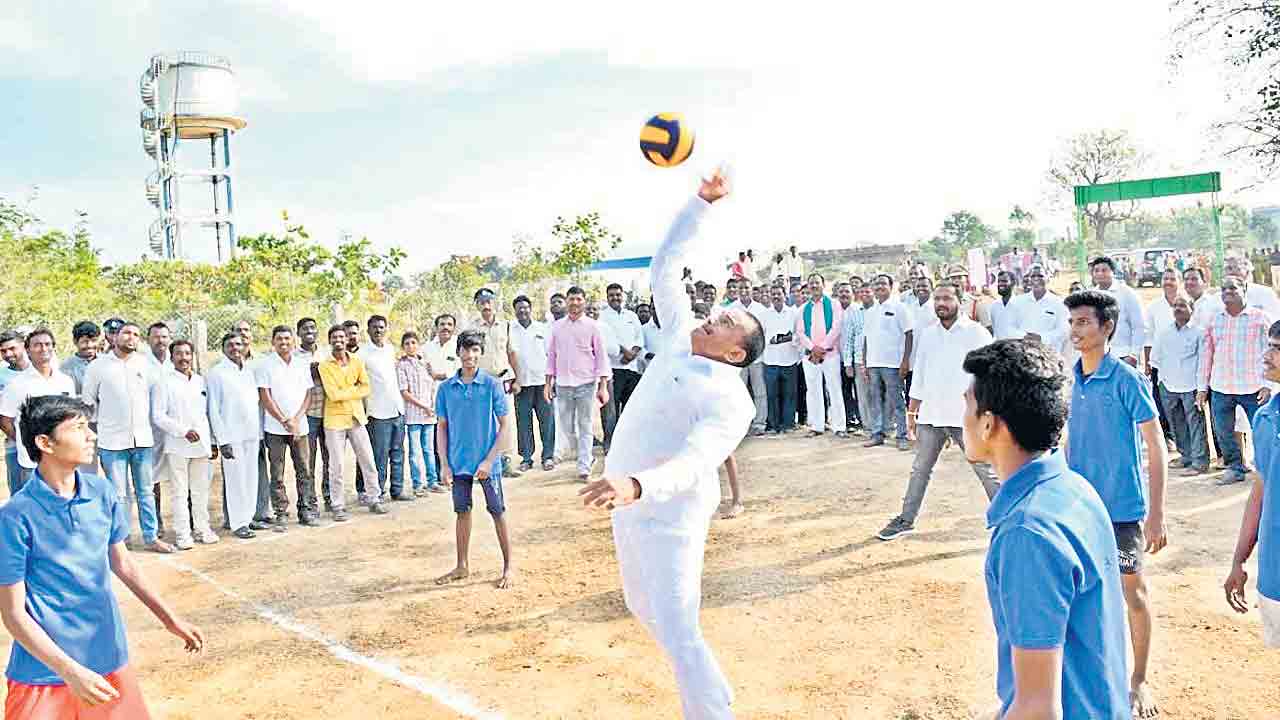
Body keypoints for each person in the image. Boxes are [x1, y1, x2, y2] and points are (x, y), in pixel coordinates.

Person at [578, 170, 764, 719]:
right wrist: (701, 206)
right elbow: (664, 268)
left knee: (679, 625)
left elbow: (695, 464)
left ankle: (711, 712)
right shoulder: (681, 336)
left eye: (728, 320)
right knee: (643, 608)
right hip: (627, 502)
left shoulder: (732, 402)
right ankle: (714, 693)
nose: (715, 314)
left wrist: (638, 484)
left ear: (736, 353)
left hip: (671, 513)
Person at [0, 395, 204, 720]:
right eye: (79, 428)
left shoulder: (101, 492)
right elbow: (13, 615)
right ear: (44, 442)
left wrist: (171, 620)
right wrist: (70, 672)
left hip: (108, 658)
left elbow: (123, 564)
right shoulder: (14, 517)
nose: (92, 435)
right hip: (43, 673)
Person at [961, 340, 1129, 719]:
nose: (964, 415)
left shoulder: (1027, 532)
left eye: (968, 405)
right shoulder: (1072, 489)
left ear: (989, 424)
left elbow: (1039, 708)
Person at [1064, 290, 1169, 717]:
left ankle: (1139, 680)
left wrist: (1157, 514)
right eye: (1072, 323)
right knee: (1080, 592)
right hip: (1078, 509)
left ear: (1107, 327)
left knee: (1133, 593)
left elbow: (1155, 442)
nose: (1076, 330)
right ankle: (1089, 673)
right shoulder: (1070, 379)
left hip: (1123, 510)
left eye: (1084, 322)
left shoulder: (1127, 380)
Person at [877, 284, 998, 541]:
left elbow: (991, 376)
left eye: (947, 298)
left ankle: (1007, 521)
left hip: (965, 417)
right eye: (937, 299)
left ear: (960, 301)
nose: (941, 303)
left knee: (985, 470)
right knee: (920, 468)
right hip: (931, 415)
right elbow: (919, 374)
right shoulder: (928, 334)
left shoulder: (976, 334)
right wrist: (912, 412)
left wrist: (987, 413)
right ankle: (906, 519)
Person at [434, 330, 517, 590]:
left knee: (497, 512)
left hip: (486, 463)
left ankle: (508, 567)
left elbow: (504, 426)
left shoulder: (491, 385)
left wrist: (490, 461)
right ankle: (462, 565)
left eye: (475, 350)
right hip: (458, 463)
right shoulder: (446, 389)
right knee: (462, 512)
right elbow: (441, 427)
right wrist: (445, 463)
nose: (470, 355)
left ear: (480, 354)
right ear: (458, 352)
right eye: (465, 350)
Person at [81, 322, 172, 553]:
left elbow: (157, 403)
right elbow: (89, 402)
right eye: (126, 333)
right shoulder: (98, 367)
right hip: (112, 442)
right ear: (114, 337)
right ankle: (122, 540)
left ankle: (151, 537)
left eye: (135, 334)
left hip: (142, 440)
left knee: (146, 491)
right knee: (119, 494)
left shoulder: (146, 365)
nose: (131, 337)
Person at [1224, 319, 1280, 648]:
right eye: (1269, 346)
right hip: (1274, 572)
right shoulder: (1265, 417)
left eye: (1277, 348)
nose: (1267, 354)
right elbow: (1259, 496)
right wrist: (1238, 561)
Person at [1199, 276, 1274, 485]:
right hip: (1221, 386)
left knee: (1263, 431)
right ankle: (1234, 468)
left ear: (1244, 289)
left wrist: (1269, 385)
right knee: (1224, 432)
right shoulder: (1215, 320)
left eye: (1233, 288)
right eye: (1224, 288)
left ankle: (1268, 469)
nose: (1227, 292)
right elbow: (1207, 355)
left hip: (1253, 387)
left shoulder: (1260, 319)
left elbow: (1273, 353)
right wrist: (1202, 388)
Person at [150, 339, 217, 549]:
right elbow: (158, 416)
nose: (184, 358)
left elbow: (206, 414)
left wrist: (211, 441)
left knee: (200, 490)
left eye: (187, 353)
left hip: (201, 445)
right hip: (178, 444)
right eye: (179, 353)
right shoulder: (164, 382)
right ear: (172, 357)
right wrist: (183, 431)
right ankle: (183, 534)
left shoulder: (199, 381)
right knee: (180, 491)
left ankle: (202, 529)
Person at [318, 325, 386, 520]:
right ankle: (338, 505)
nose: (339, 340)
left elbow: (366, 388)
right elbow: (332, 394)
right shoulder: (325, 365)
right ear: (330, 341)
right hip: (334, 421)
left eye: (342, 336)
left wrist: (346, 392)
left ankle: (374, 498)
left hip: (356, 417)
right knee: (336, 465)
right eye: (335, 337)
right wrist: (353, 390)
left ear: (346, 339)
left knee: (367, 459)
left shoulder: (357, 361)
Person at [0, 329, 76, 495]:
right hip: (32, 462)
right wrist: (24, 439)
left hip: (62, 458)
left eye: (47, 344)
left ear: (53, 348)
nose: (43, 349)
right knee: (34, 509)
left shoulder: (65, 381)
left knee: (62, 504)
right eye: (37, 345)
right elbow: (5, 421)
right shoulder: (17, 385)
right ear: (28, 350)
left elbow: (70, 416)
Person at [206, 333, 268, 540]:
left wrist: (259, 433)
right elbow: (213, 409)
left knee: (251, 477)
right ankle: (238, 522)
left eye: (238, 344)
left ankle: (248, 517)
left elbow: (255, 404)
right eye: (230, 345)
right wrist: (221, 440)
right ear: (223, 348)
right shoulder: (216, 373)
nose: (235, 348)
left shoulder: (249, 371)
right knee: (235, 480)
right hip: (230, 436)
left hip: (251, 433)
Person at [546, 288, 610, 482]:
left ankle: (583, 467)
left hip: (586, 384)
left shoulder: (593, 326)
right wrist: (548, 384)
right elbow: (551, 356)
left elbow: (601, 357)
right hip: (563, 384)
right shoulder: (556, 327)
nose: (574, 302)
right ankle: (586, 456)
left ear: (584, 302)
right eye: (571, 299)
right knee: (566, 428)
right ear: (567, 301)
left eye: (578, 299)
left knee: (585, 425)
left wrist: (603, 385)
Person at [257, 325, 318, 526]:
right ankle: (281, 512)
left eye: (287, 339)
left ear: (293, 341)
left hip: (300, 426)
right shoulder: (265, 365)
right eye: (279, 339)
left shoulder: (302, 364)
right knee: (277, 472)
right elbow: (265, 396)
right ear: (273, 342)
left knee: (304, 470)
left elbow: (309, 394)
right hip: (275, 428)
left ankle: (306, 510)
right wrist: (284, 420)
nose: (284, 343)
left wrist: (297, 419)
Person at [1150, 296, 1210, 476]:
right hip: (1168, 385)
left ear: (1192, 309)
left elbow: (1203, 363)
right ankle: (1186, 456)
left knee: (1195, 425)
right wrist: (1161, 382)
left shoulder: (1199, 333)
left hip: (1191, 386)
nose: (1178, 309)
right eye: (1175, 305)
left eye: (1183, 305)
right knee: (1176, 424)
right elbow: (1156, 359)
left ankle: (1199, 462)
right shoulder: (1164, 332)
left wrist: (1201, 389)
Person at [468, 290, 522, 479]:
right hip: (481, 381)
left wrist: (518, 379)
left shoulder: (506, 325)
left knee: (506, 421)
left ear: (495, 303)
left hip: (503, 379)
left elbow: (512, 353)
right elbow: (468, 356)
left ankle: (506, 461)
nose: (486, 305)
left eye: (489, 301)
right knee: (482, 422)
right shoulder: (472, 328)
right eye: (481, 302)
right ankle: (482, 464)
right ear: (476, 305)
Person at [357, 314, 410, 503]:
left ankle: (397, 489)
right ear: (368, 330)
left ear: (386, 329)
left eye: (382, 327)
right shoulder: (362, 354)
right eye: (374, 327)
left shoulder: (390, 349)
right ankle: (376, 492)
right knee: (379, 455)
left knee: (398, 452)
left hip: (397, 408)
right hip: (377, 412)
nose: (378, 330)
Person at [861, 274, 914, 450]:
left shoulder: (900, 308)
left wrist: (905, 361)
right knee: (875, 399)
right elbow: (866, 339)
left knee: (896, 401)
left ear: (891, 287)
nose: (879, 287)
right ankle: (877, 434)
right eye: (876, 284)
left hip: (893, 364)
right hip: (873, 363)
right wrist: (864, 363)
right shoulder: (869, 311)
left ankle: (902, 436)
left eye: (883, 283)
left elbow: (909, 334)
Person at [794, 274, 847, 437]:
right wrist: (813, 348)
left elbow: (836, 328)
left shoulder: (833, 304)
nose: (814, 286)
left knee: (834, 390)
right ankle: (817, 425)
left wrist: (822, 348)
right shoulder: (803, 309)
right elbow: (800, 332)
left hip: (830, 355)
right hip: (810, 357)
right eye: (811, 283)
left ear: (823, 285)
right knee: (813, 391)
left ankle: (839, 426)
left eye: (817, 282)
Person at [508, 296, 555, 472]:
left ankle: (548, 456)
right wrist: (513, 380)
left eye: (526, 307)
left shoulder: (542, 329)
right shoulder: (510, 330)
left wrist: (551, 382)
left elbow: (551, 355)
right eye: (519, 308)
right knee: (524, 422)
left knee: (547, 421)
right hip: (521, 384)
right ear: (515, 310)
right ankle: (526, 458)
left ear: (531, 309)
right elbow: (509, 355)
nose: (523, 311)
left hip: (542, 382)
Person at [397, 330, 443, 496]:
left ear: (418, 345)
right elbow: (405, 392)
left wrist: (431, 406)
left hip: (429, 415)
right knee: (415, 451)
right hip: (413, 415)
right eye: (407, 343)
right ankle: (418, 484)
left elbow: (432, 385)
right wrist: (424, 406)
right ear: (403, 347)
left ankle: (432, 481)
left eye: (413, 343)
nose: (411, 346)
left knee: (429, 450)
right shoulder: (401, 365)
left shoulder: (425, 364)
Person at [296, 318, 332, 511]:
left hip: (329, 412)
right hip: (307, 414)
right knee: (307, 461)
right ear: (298, 333)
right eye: (304, 329)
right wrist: (311, 373)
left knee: (331, 459)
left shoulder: (326, 353)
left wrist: (321, 372)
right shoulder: (294, 357)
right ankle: (310, 502)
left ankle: (330, 497)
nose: (309, 331)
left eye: (312, 328)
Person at [1144, 269, 1182, 449]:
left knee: (1185, 404)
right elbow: (1149, 337)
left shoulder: (1186, 304)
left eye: (1172, 279)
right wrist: (1148, 363)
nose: (1168, 282)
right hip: (1160, 362)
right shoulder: (1154, 306)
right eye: (1165, 279)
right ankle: (1168, 437)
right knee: (1160, 401)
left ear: (1179, 282)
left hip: (1185, 361)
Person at [600, 283, 646, 419]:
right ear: (607, 298)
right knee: (610, 411)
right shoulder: (602, 316)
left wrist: (632, 354)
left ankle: (626, 439)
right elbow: (605, 339)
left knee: (630, 410)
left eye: (618, 295)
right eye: (611, 295)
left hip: (632, 369)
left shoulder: (631, 315)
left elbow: (639, 338)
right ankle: (610, 439)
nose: (615, 298)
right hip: (612, 369)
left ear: (623, 296)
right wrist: (624, 352)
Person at [1090, 256, 1146, 366]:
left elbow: (1139, 326)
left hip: (1123, 355)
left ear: (1113, 272)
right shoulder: (1091, 295)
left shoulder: (1127, 293)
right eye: (1096, 271)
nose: (1100, 274)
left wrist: (1134, 355)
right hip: (1098, 355)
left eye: (1104, 270)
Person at [760, 285, 800, 434]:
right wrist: (770, 341)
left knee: (789, 395)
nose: (776, 297)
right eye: (773, 294)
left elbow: (798, 335)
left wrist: (787, 338)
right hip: (770, 360)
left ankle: (788, 425)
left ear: (785, 296)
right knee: (772, 395)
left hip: (789, 360)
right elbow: (760, 336)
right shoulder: (764, 315)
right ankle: (773, 425)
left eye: (779, 294)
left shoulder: (793, 313)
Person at [732, 282, 769, 435]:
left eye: (747, 287)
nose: (744, 291)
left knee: (760, 391)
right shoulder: (731, 309)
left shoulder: (760, 309)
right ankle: (741, 426)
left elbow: (765, 333)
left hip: (757, 357)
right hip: (738, 359)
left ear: (752, 289)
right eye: (741, 288)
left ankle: (760, 423)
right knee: (739, 393)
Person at [842, 283, 876, 438]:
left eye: (867, 291)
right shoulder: (854, 313)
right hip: (859, 360)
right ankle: (868, 427)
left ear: (873, 292)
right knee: (862, 395)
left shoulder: (881, 311)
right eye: (861, 292)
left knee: (880, 394)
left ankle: (884, 426)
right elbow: (849, 340)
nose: (864, 294)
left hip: (879, 360)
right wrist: (848, 363)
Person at [0, 330, 29, 493]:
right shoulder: (1, 376)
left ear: (24, 346)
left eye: (12, 348)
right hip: (14, 445)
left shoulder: (39, 370)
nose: (8, 354)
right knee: (19, 494)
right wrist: (20, 439)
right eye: (3, 351)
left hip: (45, 444)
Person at [988, 271, 1020, 340]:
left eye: (1004, 281)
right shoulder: (994, 306)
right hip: (998, 348)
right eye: (999, 281)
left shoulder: (1021, 305)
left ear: (1013, 283)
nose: (1000, 284)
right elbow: (995, 330)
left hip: (1016, 348)